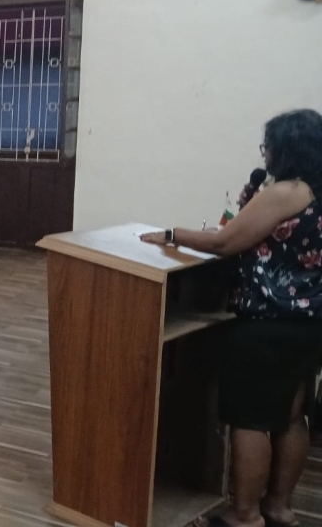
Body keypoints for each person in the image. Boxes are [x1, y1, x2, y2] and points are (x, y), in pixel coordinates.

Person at [140, 109, 322, 527]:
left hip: (269, 323)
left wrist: (171, 234)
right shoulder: (315, 191)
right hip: (309, 321)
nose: (266, 155)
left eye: (269, 147)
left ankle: (245, 515)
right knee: (292, 416)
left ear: (288, 148)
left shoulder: (286, 192)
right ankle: (279, 507)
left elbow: (224, 242)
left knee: (252, 417)